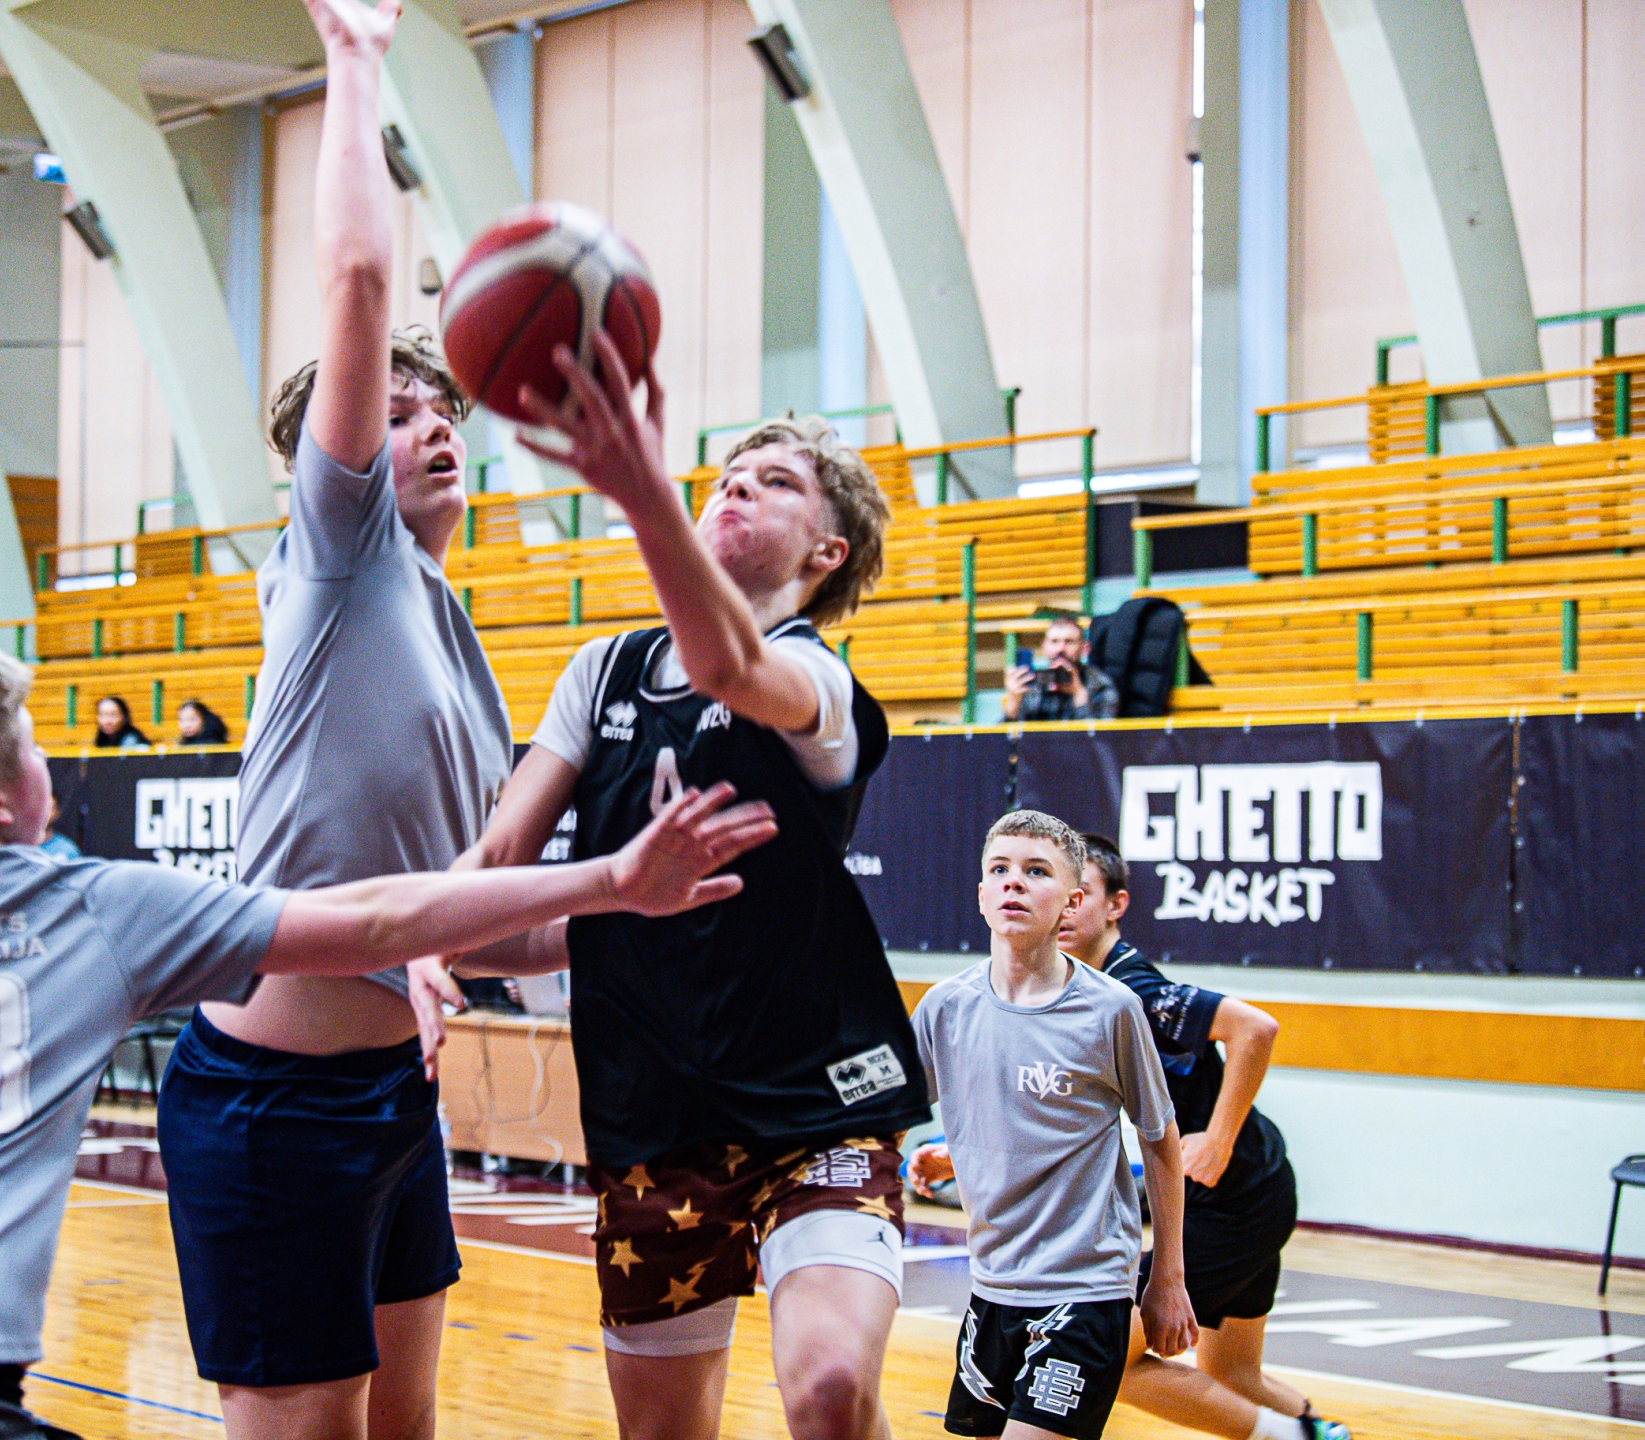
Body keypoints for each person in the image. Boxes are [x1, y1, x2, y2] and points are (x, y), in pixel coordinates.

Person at [0, 634, 775, 1440]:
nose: (48, 764)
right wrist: (611, 880)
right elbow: (380, 917)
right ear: (1, 798)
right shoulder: (87, 907)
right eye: (34, 747)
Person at [153, 2, 512, 1436]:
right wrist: (357, 61)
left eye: (447, 410)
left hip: (390, 1094)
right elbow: (358, 278)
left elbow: (448, 894)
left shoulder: (444, 625)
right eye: (401, 410)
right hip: (274, 1098)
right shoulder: (341, 551)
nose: (435, 425)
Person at [460, 342, 924, 1440]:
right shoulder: (604, 672)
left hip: (817, 1106)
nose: (735, 489)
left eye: (775, 481)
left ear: (826, 551)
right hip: (653, 1116)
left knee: (829, 1388)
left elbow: (728, 669)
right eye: (725, 477)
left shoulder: (818, 682)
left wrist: (636, 486)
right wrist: (458, 944)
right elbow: (495, 873)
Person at [909, 811, 1193, 1440]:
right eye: (1000, 869)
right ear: (981, 894)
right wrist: (941, 1154)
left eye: (1037, 871)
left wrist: (1167, 1278)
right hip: (991, 1287)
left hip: (1085, 1289)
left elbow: (1160, 1140)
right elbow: (886, 1114)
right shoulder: (945, 1007)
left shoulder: (1111, 1009)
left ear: (1072, 902)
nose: (1014, 882)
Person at [1059, 834, 1348, 1440]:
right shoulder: (1081, 991)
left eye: (1080, 893)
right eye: (1057, 890)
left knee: (1104, 1354)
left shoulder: (1136, 988)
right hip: (1257, 1187)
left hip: (1235, 1196)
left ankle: (1293, 1438)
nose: (1065, 906)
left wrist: (1217, 1138)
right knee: (1233, 1373)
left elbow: (1255, 1029)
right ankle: (1320, 1434)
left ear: (1115, 905)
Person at [1001, 618, 1117, 723]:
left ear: (1085, 648)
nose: (1060, 649)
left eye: (1069, 642)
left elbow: (1102, 737)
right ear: (1043, 647)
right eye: (1054, 641)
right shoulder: (1030, 684)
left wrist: (1079, 694)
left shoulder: (1100, 685)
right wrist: (1013, 703)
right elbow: (1004, 738)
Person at [39, 794, 79, 860]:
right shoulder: (20, 846)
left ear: (57, 813)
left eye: (49, 808)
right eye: (40, 808)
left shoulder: (67, 850)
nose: (43, 813)